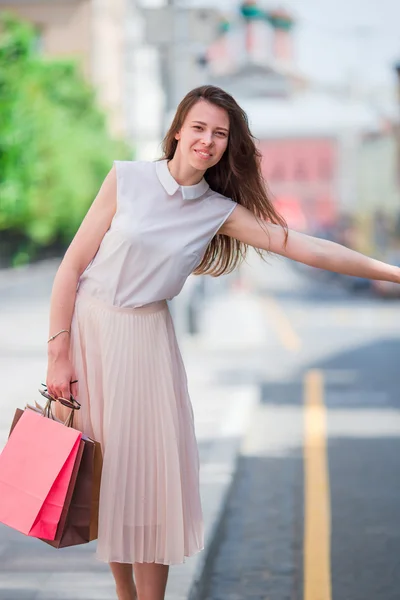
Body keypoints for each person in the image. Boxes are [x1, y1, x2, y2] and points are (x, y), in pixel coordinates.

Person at [46, 85, 399, 600]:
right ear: (177, 130)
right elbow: (72, 266)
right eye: (198, 128)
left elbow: (306, 247)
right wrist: (58, 354)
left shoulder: (216, 211)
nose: (206, 141)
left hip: (146, 346)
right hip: (89, 335)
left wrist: (392, 272)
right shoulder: (127, 178)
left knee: (148, 487)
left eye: (218, 133)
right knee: (106, 482)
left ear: (226, 144)